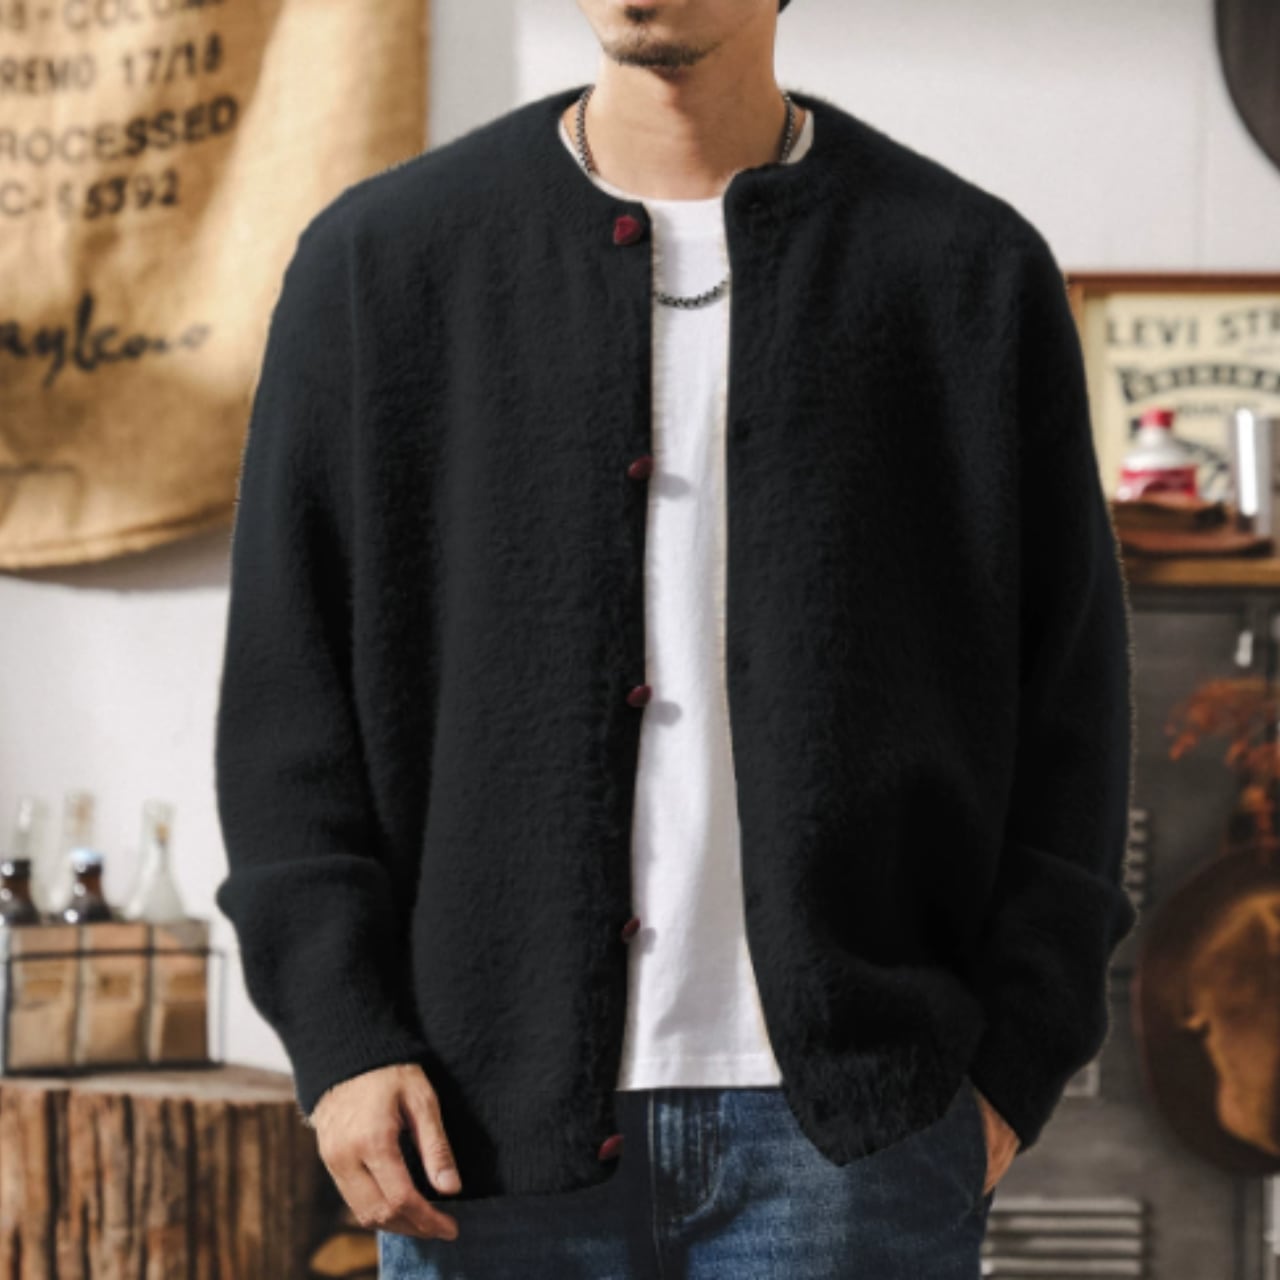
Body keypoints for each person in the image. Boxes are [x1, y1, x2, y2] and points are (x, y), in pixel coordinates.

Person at [213, 0, 1139, 1276]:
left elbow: (1070, 705)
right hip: (476, 1131)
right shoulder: (382, 262)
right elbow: (288, 696)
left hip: (852, 1146)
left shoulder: (961, 269)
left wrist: (1010, 1062)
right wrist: (342, 1037)